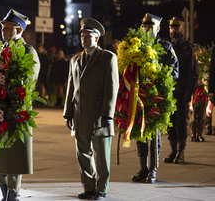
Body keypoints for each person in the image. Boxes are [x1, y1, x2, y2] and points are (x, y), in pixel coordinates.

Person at [0, 9, 40, 201]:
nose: (3, 31)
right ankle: (4, 189)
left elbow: (28, 79)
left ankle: (13, 192)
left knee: (14, 154)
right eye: (3, 27)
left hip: (16, 110)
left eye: (8, 28)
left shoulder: (28, 51)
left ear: (20, 31)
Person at [63, 18, 119, 200]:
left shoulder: (108, 58)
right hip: (80, 115)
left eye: (88, 36)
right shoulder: (75, 60)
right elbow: (70, 88)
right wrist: (68, 112)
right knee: (83, 154)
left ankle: (101, 189)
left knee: (102, 156)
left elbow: (112, 88)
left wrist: (107, 115)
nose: (85, 39)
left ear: (97, 39)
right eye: (83, 36)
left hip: (99, 114)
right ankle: (89, 188)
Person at [131, 13, 179, 184]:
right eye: (144, 26)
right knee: (140, 133)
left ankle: (153, 170)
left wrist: (158, 78)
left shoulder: (165, 47)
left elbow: (174, 71)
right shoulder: (137, 47)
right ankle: (143, 168)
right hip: (139, 96)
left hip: (156, 96)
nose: (146, 29)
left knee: (154, 136)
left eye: (150, 27)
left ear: (158, 29)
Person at [162, 17, 199, 164]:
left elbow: (193, 73)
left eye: (177, 28)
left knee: (181, 123)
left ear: (182, 29)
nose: (173, 30)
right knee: (170, 123)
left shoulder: (189, 48)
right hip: (169, 93)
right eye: (171, 28)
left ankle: (181, 152)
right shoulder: (167, 46)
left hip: (181, 92)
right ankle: (173, 151)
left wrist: (189, 93)